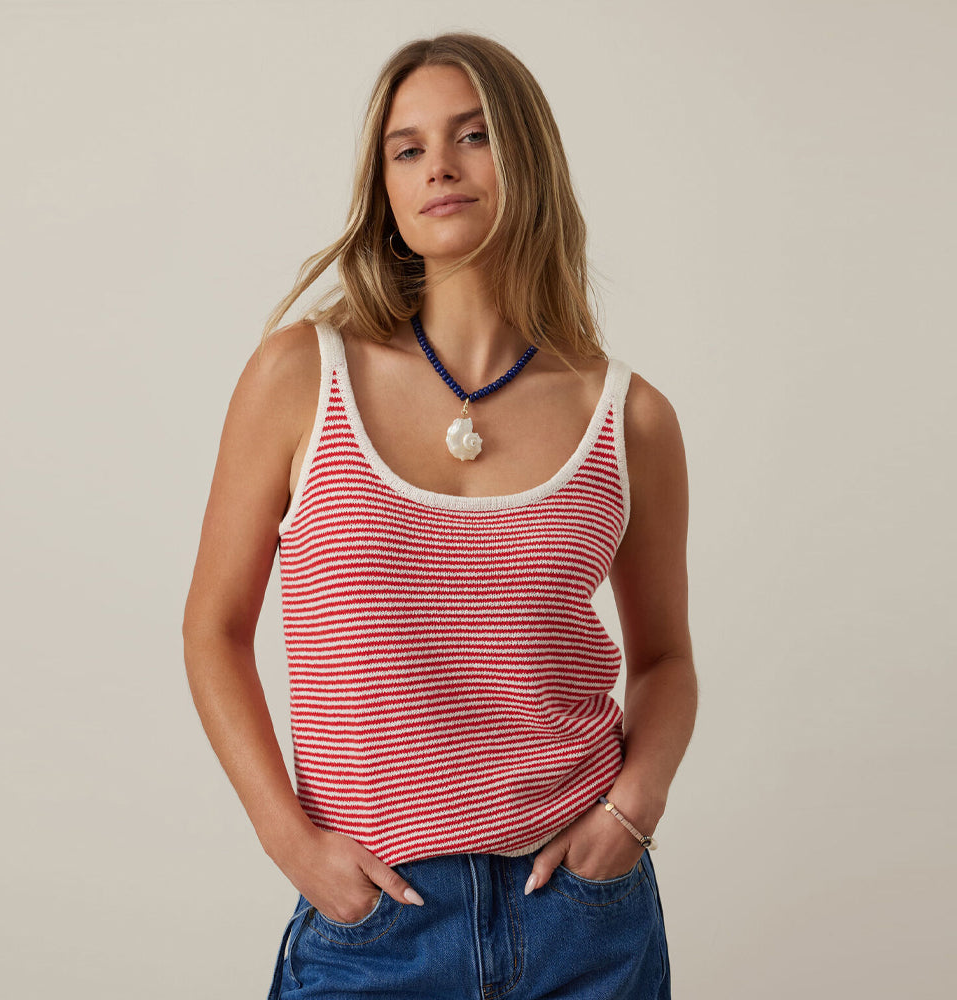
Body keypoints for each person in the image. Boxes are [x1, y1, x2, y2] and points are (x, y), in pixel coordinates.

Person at [183, 32, 697, 1000]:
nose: (440, 167)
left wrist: (631, 811)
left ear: (527, 157)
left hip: (584, 914)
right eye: (407, 148)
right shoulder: (301, 377)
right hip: (375, 922)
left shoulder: (629, 418)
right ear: (383, 185)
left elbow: (665, 658)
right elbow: (212, 628)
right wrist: (290, 842)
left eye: (473, 135)